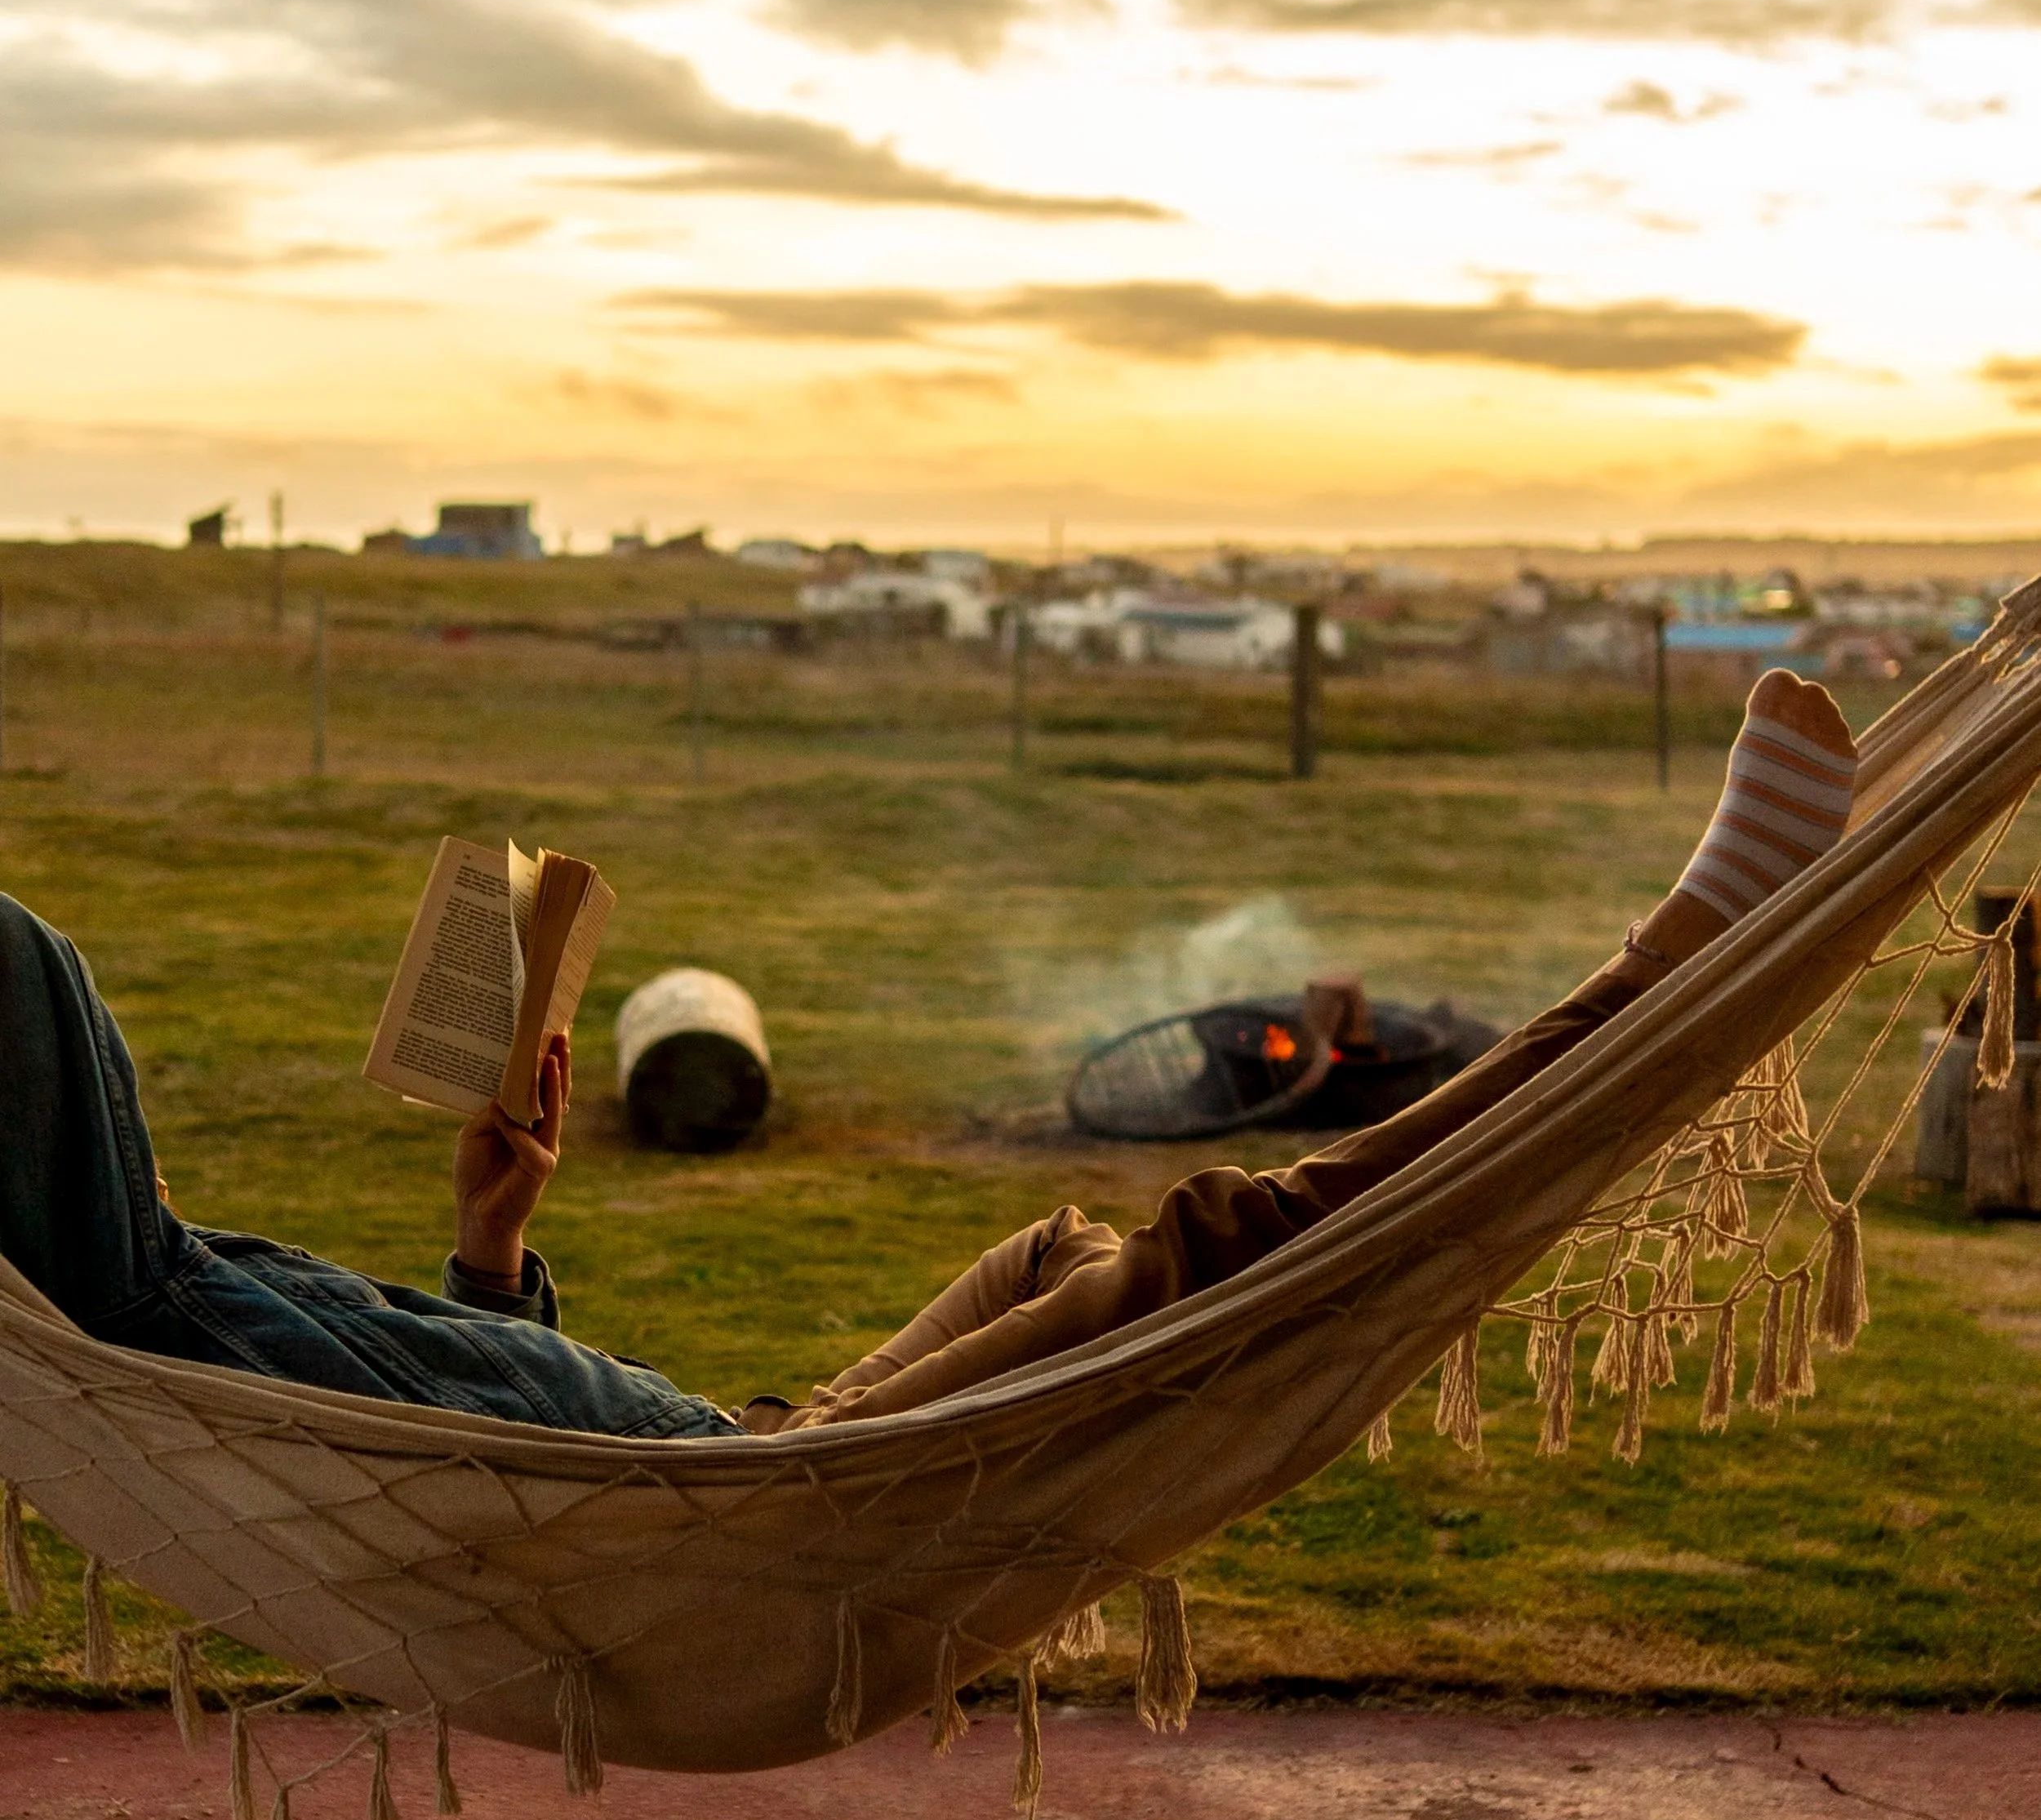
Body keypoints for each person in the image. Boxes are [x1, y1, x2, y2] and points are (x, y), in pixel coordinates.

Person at [0, 674, 1856, 1441]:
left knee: (1071, 1254)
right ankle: (1664, 973)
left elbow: (452, 1431)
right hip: (745, 1512)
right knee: (1216, 1242)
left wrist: (490, 1245)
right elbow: (460, 1474)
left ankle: (1668, 977)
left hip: (739, 1466)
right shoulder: (148, 1319)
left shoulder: (188, 1308)